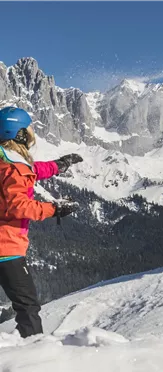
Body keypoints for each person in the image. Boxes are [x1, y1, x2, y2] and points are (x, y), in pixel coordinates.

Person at [0, 106, 83, 338]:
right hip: (6, 249)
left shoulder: (5, 161)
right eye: (28, 129)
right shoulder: (13, 166)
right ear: (18, 133)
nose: (32, 133)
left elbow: (30, 171)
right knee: (28, 309)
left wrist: (58, 165)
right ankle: (33, 359)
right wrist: (54, 209)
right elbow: (18, 206)